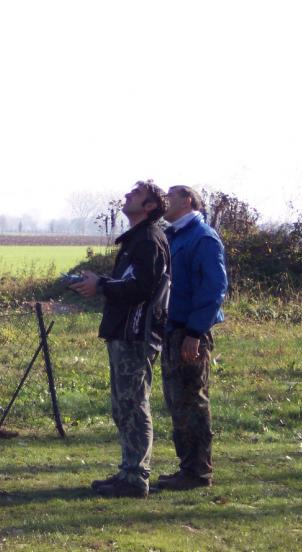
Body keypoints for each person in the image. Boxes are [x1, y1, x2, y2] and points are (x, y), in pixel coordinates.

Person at [71, 180, 170, 498]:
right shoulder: (136, 239)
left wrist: (102, 285)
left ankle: (136, 478)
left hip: (136, 334)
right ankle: (128, 471)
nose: (127, 196)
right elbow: (129, 282)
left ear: (150, 207)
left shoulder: (148, 240)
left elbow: (142, 288)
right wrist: (101, 282)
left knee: (133, 405)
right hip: (124, 332)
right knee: (123, 406)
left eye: (136, 194)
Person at [157, 185, 228, 491]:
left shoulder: (203, 237)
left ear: (187, 200)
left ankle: (198, 471)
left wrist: (195, 333)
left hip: (190, 332)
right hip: (172, 330)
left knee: (192, 401)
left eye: (170, 196)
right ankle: (187, 467)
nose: (164, 201)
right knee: (177, 401)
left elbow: (214, 288)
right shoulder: (173, 236)